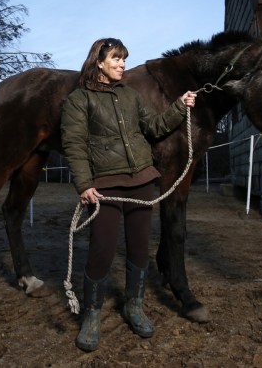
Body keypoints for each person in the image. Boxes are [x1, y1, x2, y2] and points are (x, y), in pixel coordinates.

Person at [60, 37, 196, 352]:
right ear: (99, 62)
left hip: (141, 183)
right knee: (102, 251)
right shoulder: (79, 100)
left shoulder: (131, 97)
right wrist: (83, 185)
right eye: (116, 58)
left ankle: (133, 306)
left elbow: (156, 127)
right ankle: (92, 315)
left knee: (138, 250)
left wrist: (180, 106)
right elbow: (75, 145)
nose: (122, 64)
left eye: (124, 58)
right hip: (104, 187)